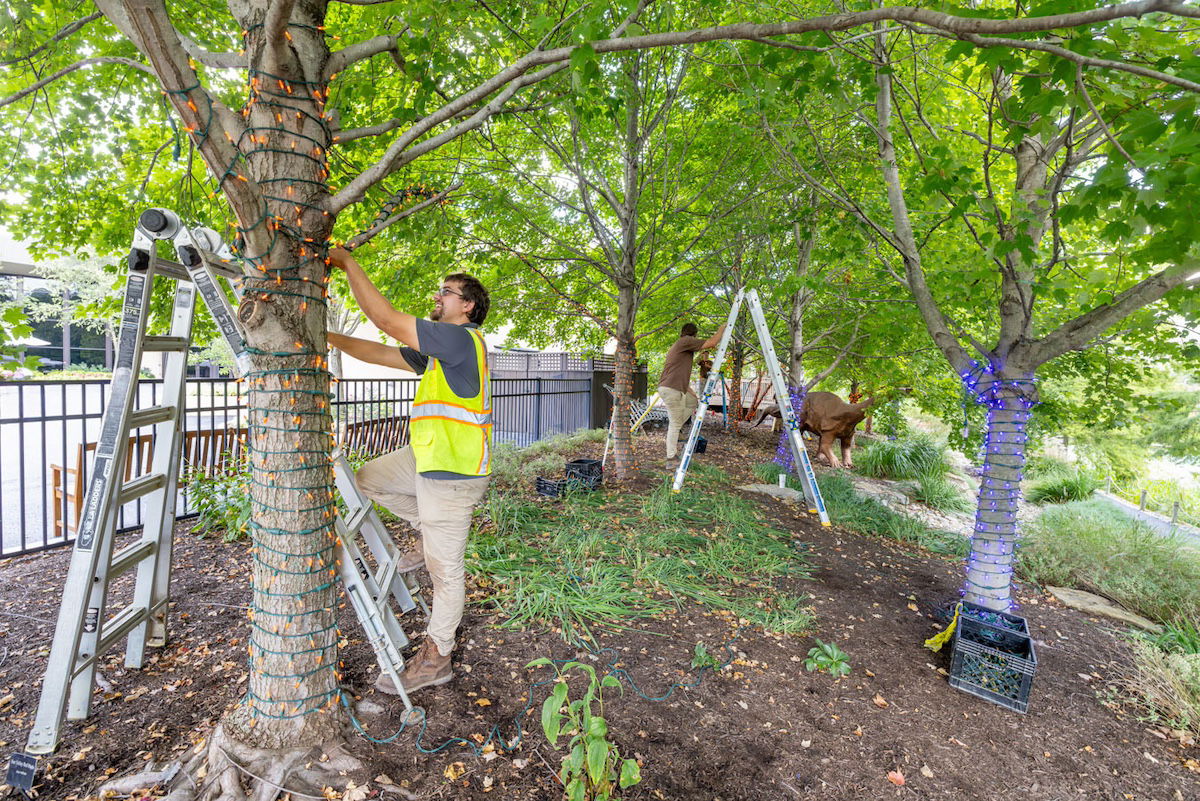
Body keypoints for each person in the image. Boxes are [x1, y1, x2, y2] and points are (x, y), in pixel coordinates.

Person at [326, 246, 491, 695]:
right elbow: (380, 352)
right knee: (368, 480)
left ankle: (438, 655)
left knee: (445, 571)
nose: (438, 297)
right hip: (427, 458)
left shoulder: (459, 339)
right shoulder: (439, 351)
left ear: (468, 306)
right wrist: (325, 337)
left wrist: (348, 263)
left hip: (453, 474)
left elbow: (385, 320)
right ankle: (424, 531)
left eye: (448, 292)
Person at [658, 322, 724, 459]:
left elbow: (677, 373)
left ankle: (677, 429)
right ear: (694, 334)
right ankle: (671, 456)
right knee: (674, 424)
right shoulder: (686, 341)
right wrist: (722, 328)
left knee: (692, 401)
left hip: (673, 387)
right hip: (671, 389)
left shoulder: (681, 346)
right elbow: (712, 343)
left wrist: (690, 390)